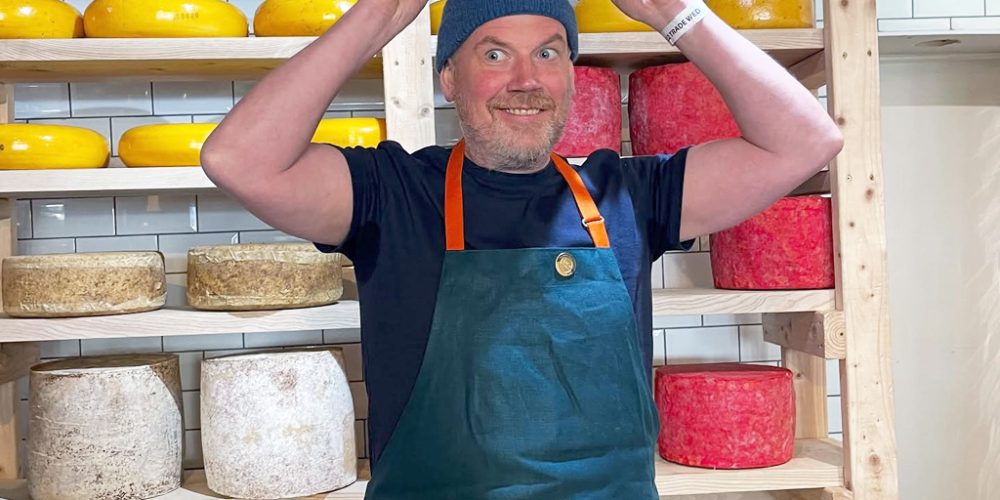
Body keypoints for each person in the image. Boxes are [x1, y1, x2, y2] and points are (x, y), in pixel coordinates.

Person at [201, 0, 843, 497]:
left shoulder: (627, 195)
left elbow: (806, 141)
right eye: (495, 55)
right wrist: (377, 18)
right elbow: (238, 160)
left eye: (548, 53)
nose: (526, 80)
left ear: (570, 73)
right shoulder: (392, 194)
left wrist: (673, 13)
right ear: (448, 76)